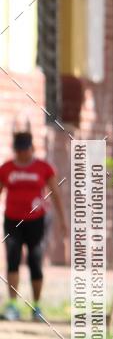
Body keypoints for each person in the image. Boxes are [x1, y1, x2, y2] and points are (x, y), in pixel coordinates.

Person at [0, 131, 67, 321]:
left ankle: (36, 306)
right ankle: (12, 305)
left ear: (32, 148)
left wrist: (63, 220)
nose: (22, 154)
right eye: (19, 150)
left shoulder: (44, 168)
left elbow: (55, 194)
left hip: (37, 221)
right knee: (12, 260)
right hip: (12, 220)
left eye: (25, 149)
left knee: (35, 261)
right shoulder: (6, 169)